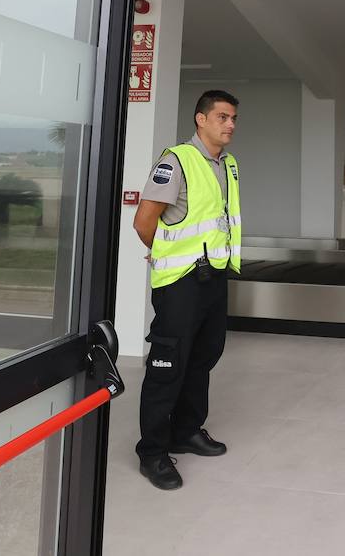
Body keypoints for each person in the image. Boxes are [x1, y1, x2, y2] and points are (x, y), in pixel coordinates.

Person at [131, 90, 242, 490]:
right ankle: (153, 452)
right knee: (168, 364)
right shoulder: (176, 160)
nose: (229, 124)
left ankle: (187, 430)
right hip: (180, 282)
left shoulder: (226, 165)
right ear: (200, 119)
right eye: (222, 117)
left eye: (233, 118)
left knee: (203, 357)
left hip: (213, 278)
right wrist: (164, 253)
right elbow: (145, 222)